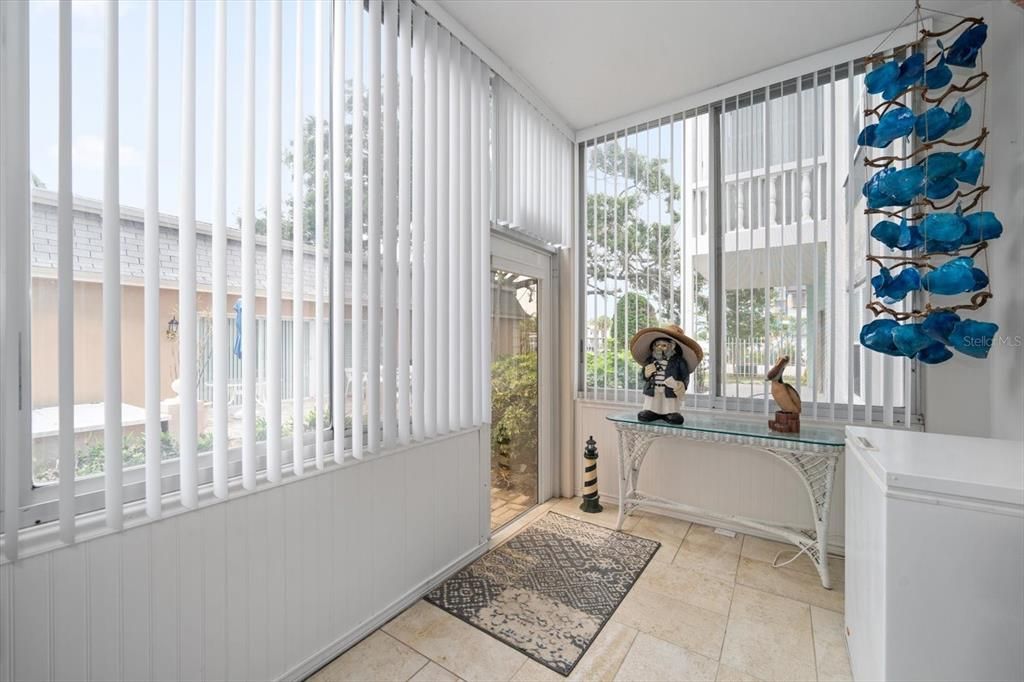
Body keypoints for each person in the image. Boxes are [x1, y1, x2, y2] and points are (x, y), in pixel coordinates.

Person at [628, 324, 704, 424]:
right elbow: (643, 375)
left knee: (670, 406)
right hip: (653, 388)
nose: (660, 348)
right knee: (652, 403)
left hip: (669, 390)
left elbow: (684, 376)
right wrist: (646, 374)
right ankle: (652, 412)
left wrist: (680, 384)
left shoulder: (678, 361)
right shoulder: (650, 360)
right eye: (657, 345)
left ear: (672, 346)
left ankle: (670, 413)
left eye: (663, 345)